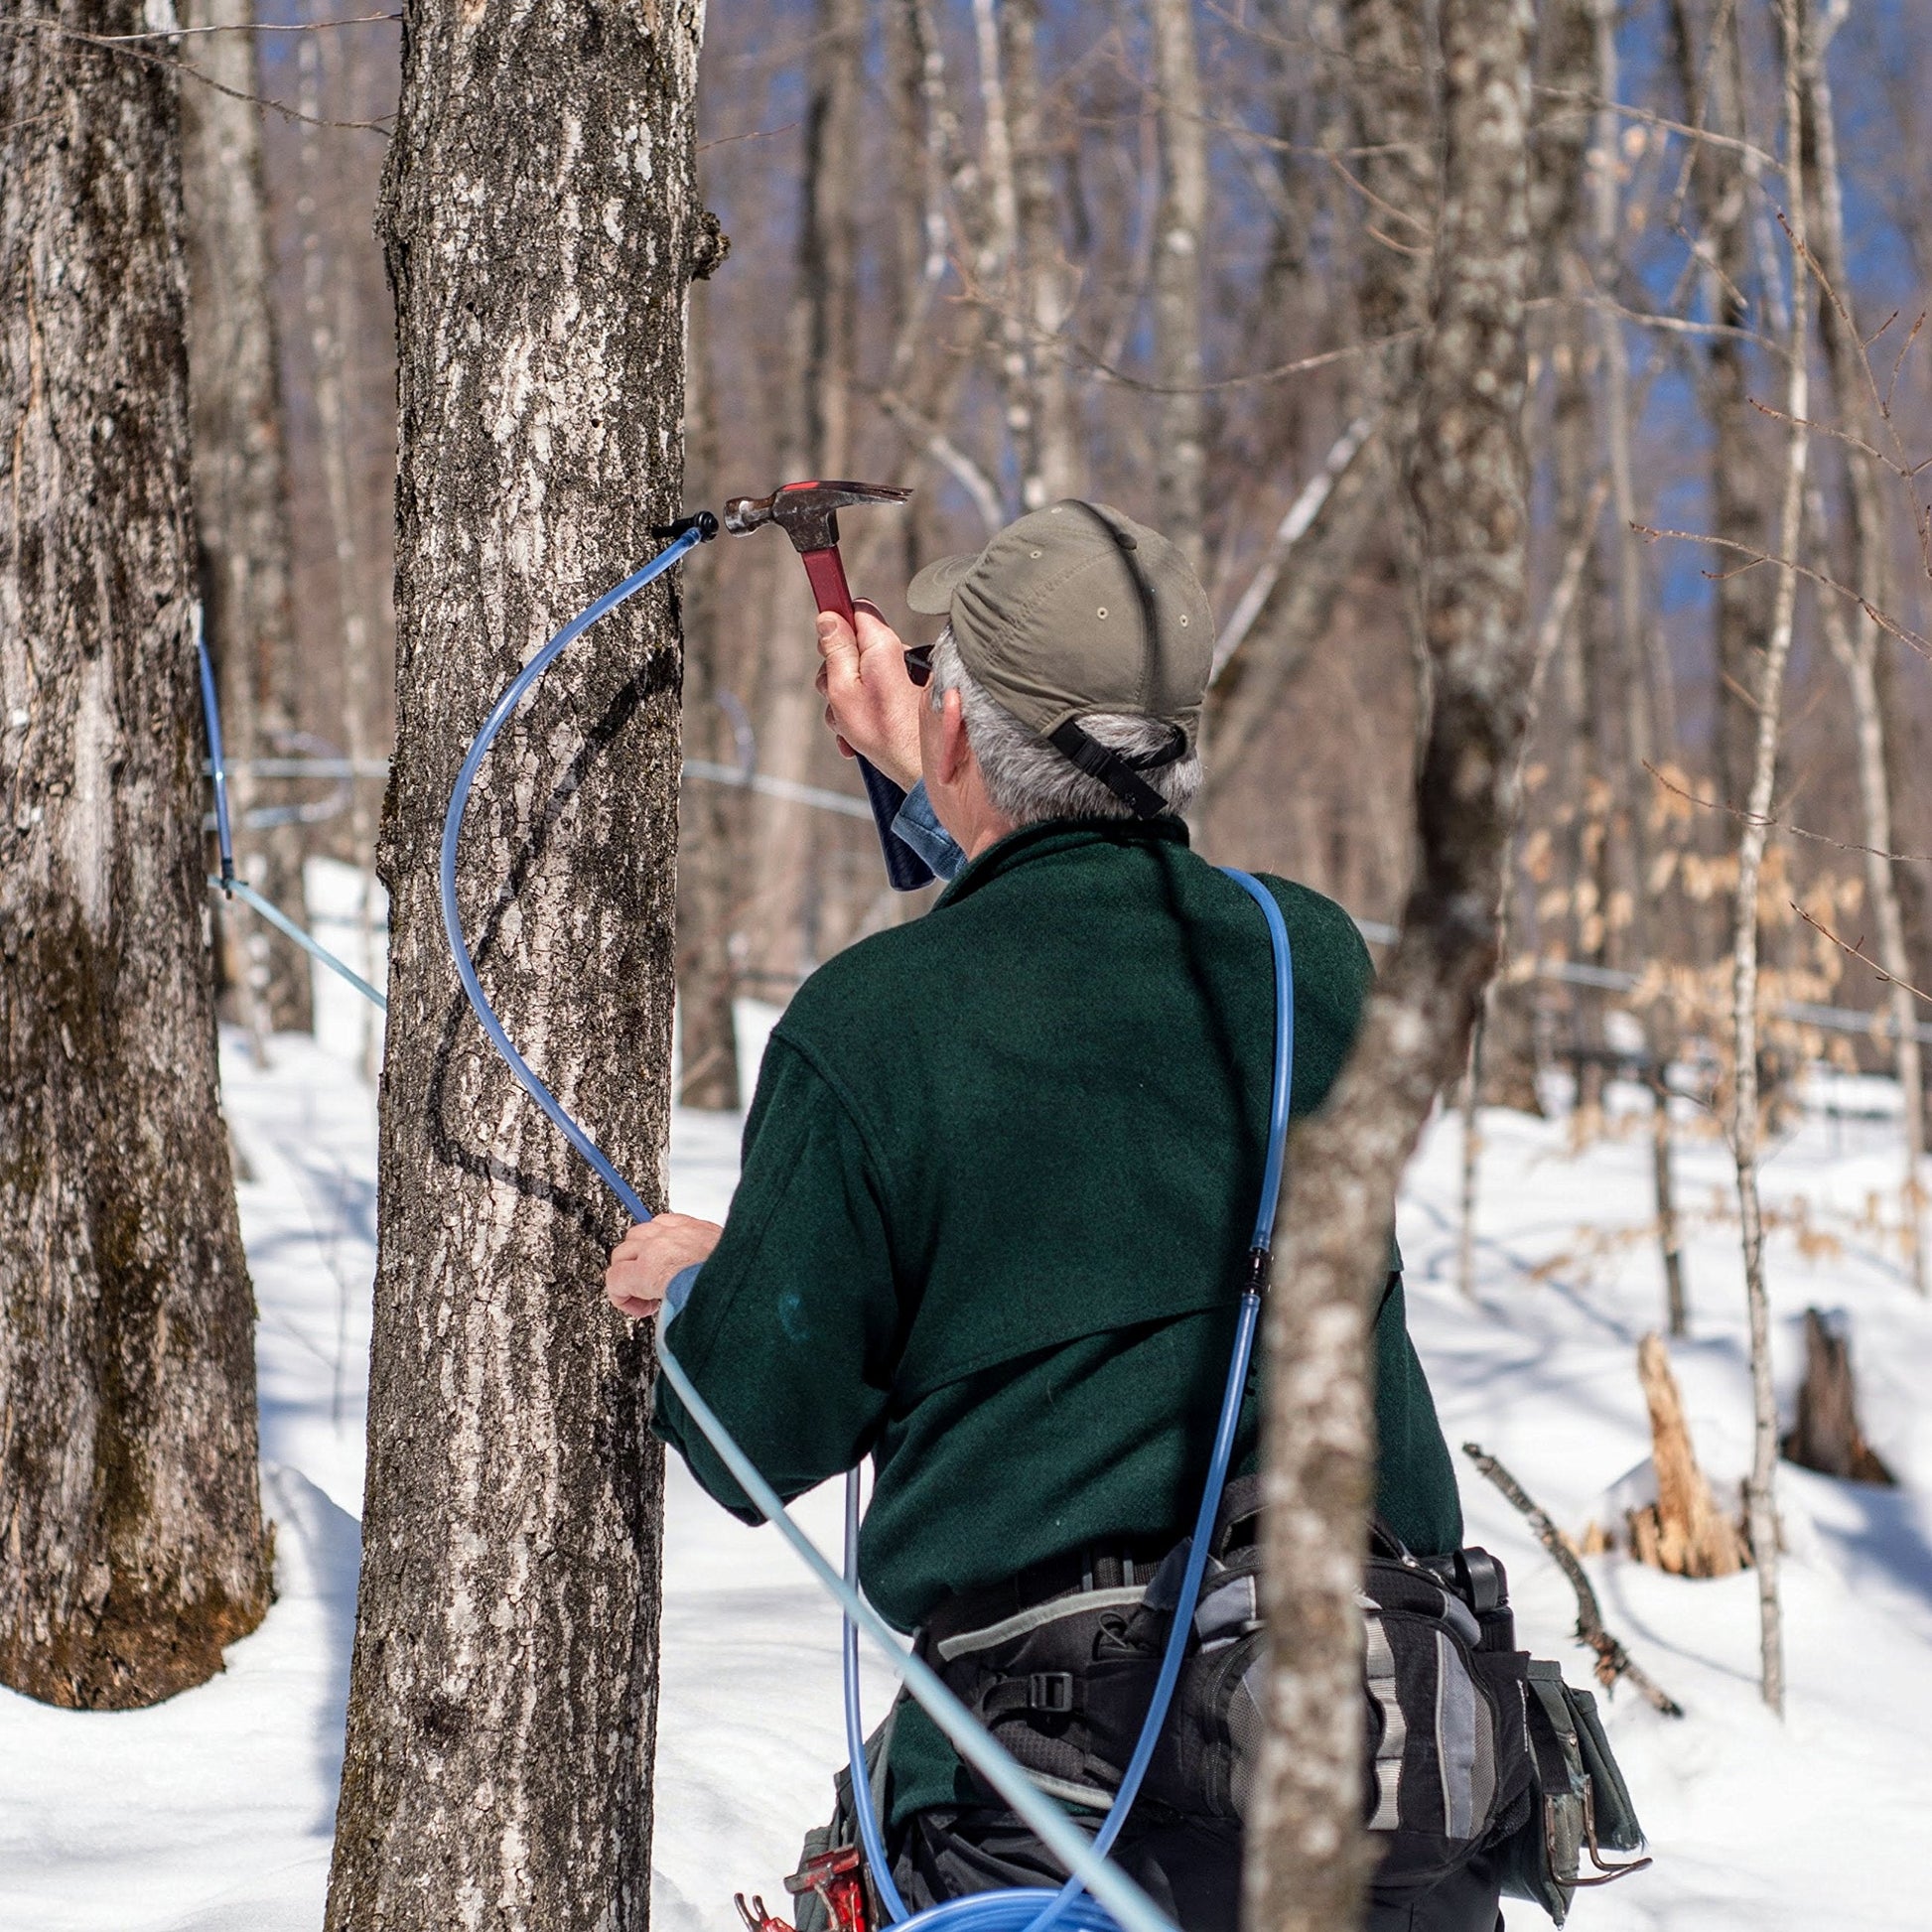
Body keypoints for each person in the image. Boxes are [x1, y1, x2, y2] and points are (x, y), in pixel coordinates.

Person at [605, 502, 1491, 1931]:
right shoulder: (1311, 962)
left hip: (1053, 1828)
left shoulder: (875, 1025)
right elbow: (1096, 982)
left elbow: (747, 1434)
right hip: (1385, 1794)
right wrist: (950, 768)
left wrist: (719, 1282)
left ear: (953, 722)